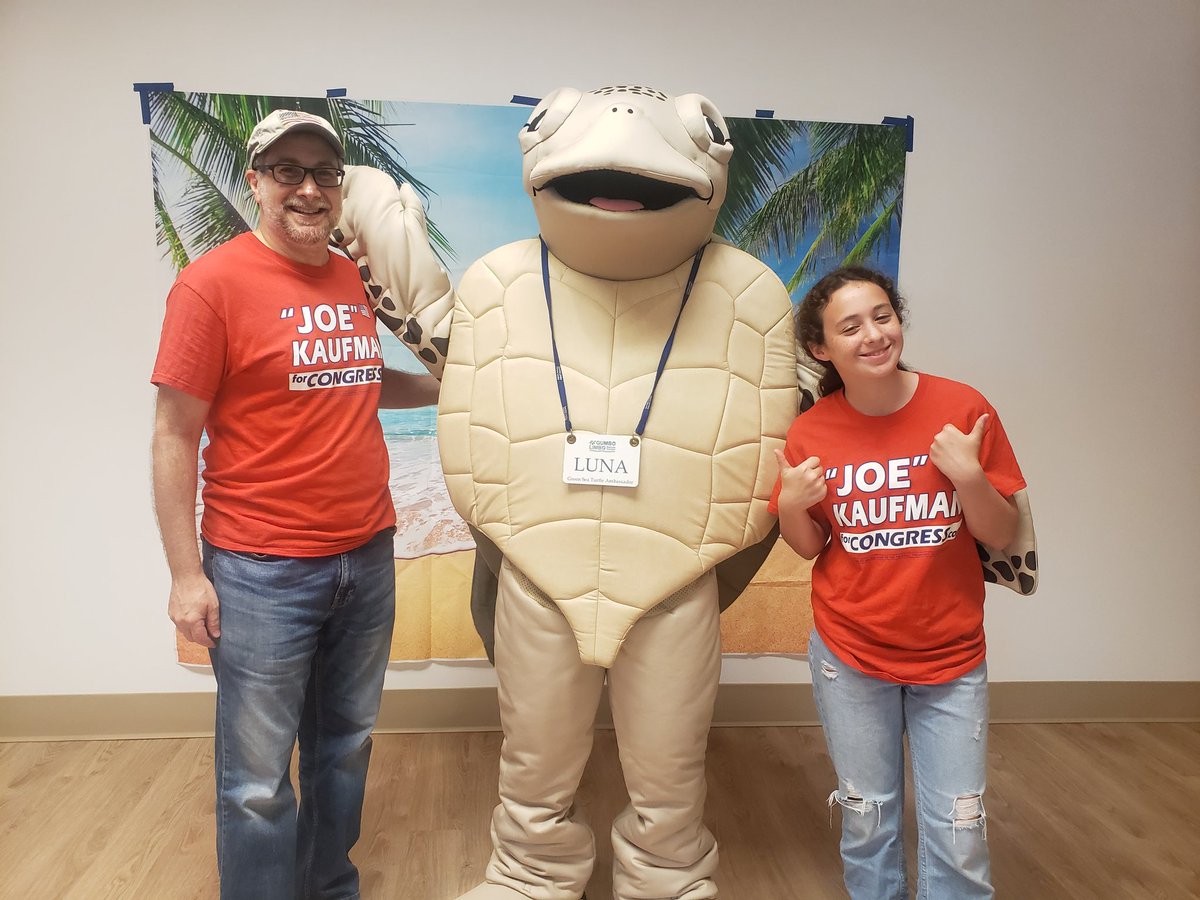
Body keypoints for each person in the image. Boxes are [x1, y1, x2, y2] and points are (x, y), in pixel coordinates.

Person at [150, 108, 438, 900]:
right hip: (258, 569)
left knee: (344, 746)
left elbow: (363, 381)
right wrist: (185, 575)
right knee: (255, 778)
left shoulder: (350, 276)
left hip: (365, 554)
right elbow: (174, 435)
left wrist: (455, 380)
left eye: (324, 173)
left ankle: (327, 886)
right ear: (256, 182)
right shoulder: (209, 286)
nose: (309, 189)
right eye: (288, 172)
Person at [770, 266, 1026, 899]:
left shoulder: (963, 410)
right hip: (851, 654)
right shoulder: (813, 431)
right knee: (867, 818)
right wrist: (789, 507)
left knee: (960, 831)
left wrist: (969, 477)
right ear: (820, 349)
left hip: (952, 657)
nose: (874, 335)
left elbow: (1001, 533)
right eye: (850, 326)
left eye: (883, 316)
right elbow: (810, 548)